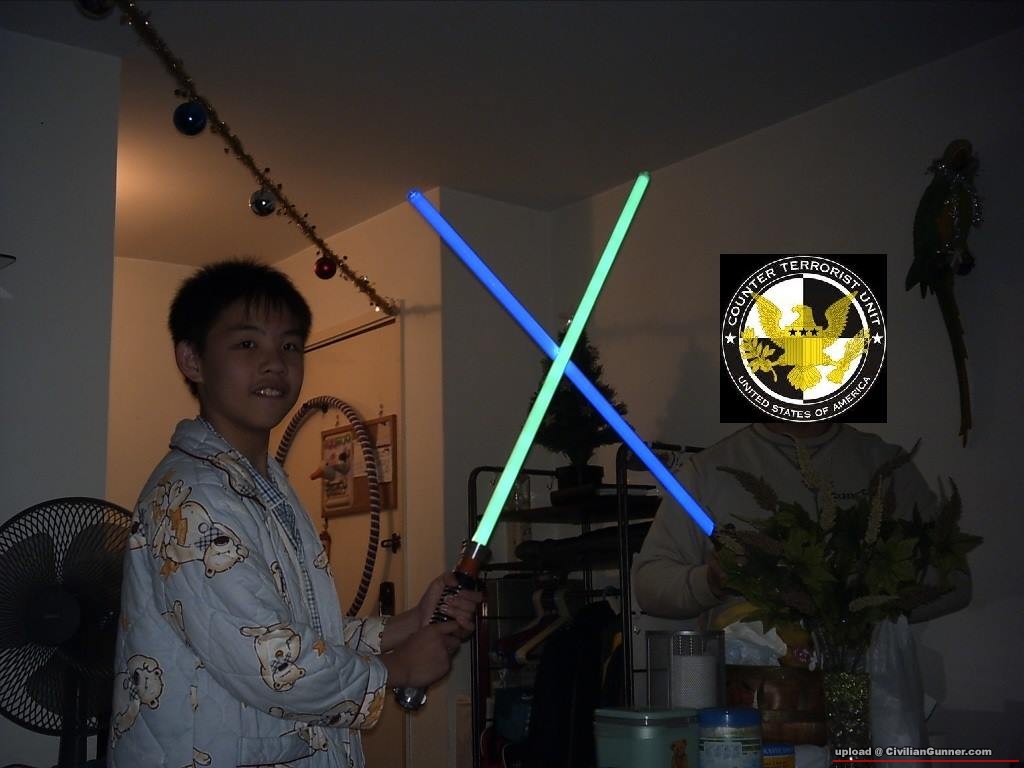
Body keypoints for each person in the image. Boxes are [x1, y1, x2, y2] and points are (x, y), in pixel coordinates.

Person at [110, 259, 480, 768]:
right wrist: (398, 668)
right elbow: (274, 662)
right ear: (192, 360)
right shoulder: (194, 500)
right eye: (247, 344)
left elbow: (306, 631)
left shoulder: (264, 483)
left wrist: (409, 624)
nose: (274, 364)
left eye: (289, 346)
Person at [632, 421, 971, 744]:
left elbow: (954, 579)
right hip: (749, 725)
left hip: (872, 713)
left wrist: (866, 602)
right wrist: (711, 580)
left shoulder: (883, 464)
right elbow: (649, 583)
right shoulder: (709, 470)